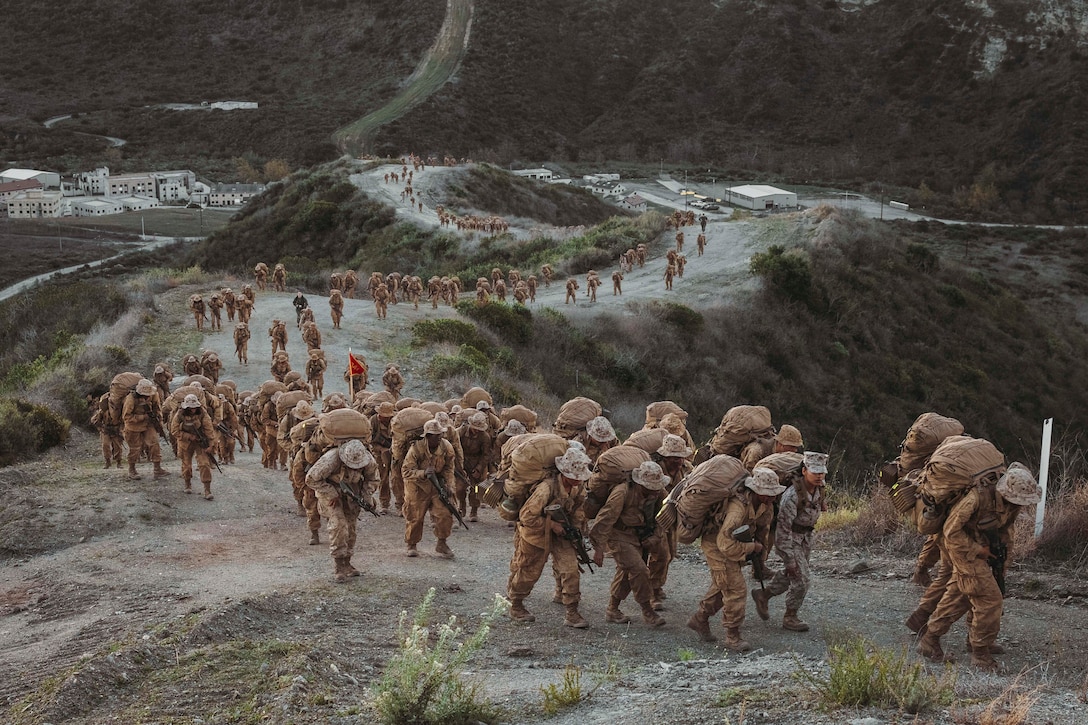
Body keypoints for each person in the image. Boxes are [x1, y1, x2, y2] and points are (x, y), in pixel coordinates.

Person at [917, 464, 1041, 671]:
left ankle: (931, 639)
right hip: (962, 549)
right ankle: (980, 654)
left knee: (963, 595)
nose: (1021, 505)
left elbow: (1006, 532)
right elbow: (950, 532)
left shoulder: (1011, 504)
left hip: (985, 549)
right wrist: (977, 550)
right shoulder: (976, 499)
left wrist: (1003, 563)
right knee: (990, 599)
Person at [688, 467, 783, 650]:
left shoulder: (765, 505)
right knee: (736, 589)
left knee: (723, 585)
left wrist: (758, 557)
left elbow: (762, 530)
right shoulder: (737, 510)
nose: (771, 497)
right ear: (755, 490)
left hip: (734, 542)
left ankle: (699, 619)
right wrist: (750, 547)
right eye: (766, 493)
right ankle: (732, 635)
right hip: (717, 544)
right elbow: (725, 545)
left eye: (773, 493)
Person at [508, 448, 593, 627]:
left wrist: (575, 531)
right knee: (529, 571)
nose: (579, 479)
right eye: (575, 475)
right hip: (536, 533)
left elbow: (578, 510)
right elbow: (526, 516)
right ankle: (516, 604)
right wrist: (552, 525)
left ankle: (572, 612)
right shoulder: (546, 488)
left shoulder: (578, 487)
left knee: (570, 570)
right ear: (565, 473)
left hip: (563, 533)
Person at [752, 451, 827, 632]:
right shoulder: (792, 496)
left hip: (806, 538)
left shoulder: (819, 487)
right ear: (804, 471)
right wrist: (788, 557)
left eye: (821, 472)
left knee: (790, 574)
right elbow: (782, 530)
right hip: (790, 539)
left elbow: (819, 504)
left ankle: (764, 594)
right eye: (814, 472)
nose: (819, 476)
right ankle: (790, 616)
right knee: (801, 580)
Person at [590, 461, 670, 628]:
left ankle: (612, 609)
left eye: (657, 486)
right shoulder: (622, 492)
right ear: (640, 483)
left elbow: (665, 517)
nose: (655, 490)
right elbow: (605, 519)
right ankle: (647, 610)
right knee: (639, 569)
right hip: (619, 535)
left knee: (627, 571)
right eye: (651, 486)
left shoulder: (659, 492)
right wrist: (598, 548)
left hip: (641, 536)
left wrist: (655, 537)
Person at [306, 439, 381, 582]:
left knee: (351, 528)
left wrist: (367, 495)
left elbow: (373, 479)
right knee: (338, 526)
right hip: (330, 494)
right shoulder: (331, 458)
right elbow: (311, 479)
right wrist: (331, 493)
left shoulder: (368, 459)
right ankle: (338, 566)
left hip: (353, 493)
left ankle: (347, 563)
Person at [647, 434, 694, 607]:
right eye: (675, 457)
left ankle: (657, 586)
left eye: (681, 457)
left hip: (673, 517)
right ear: (665, 456)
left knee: (670, 555)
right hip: (655, 518)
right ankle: (652, 592)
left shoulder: (686, 468)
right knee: (660, 555)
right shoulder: (655, 469)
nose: (679, 461)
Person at [401, 419, 457, 559]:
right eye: (435, 435)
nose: (439, 438)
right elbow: (406, 471)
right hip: (417, 487)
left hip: (437, 485)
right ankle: (412, 544)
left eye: (440, 435)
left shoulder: (446, 447)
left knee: (445, 513)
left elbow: (449, 468)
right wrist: (423, 473)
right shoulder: (416, 449)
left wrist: (450, 485)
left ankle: (442, 543)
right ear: (427, 436)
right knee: (415, 517)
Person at [169, 393, 218, 499]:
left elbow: (209, 429)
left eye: (194, 407)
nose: (193, 409)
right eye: (190, 407)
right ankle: (187, 483)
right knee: (186, 465)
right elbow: (174, 431)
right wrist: (189, 436)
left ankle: (207, 490)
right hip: (185, 442)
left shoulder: (203, 413)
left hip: (201, 442)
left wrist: (210, 445)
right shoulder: (179, 414)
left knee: (204, 464)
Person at [122, 378, 168, 480]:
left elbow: (157, 408)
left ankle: (157, 468)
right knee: (135, 448)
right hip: (133, 426)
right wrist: (142, 417)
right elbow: (126, 417)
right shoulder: (131, 399)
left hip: (149, 424)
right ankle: (132, 470)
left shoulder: (153, 395)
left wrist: (158, 422)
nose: (147, 396)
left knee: (154, 443)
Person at [457, 412, 493, 522]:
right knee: (459, 487)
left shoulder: (485, 437)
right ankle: (462, 504)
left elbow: (486, 455)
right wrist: (459, 465)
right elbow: (455, 447)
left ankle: (474, 510)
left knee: (476, 489)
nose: (476, 430)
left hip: (477, 462)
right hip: (462, 460)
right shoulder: (461, 431)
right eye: (474, 428)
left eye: (479, 429)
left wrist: (479, 468)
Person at [369, 402, 396, 514]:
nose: (384, 418)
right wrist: (381, 449)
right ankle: (384, 503)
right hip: (379, 452)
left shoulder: (396, 421)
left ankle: (400, 503)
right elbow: (369, 439)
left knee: (397, 478)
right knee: (383, 478)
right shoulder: (373, 421)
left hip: (395, 450)